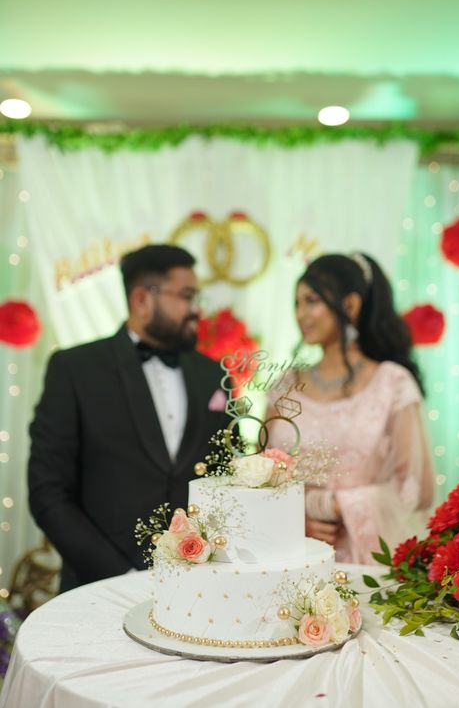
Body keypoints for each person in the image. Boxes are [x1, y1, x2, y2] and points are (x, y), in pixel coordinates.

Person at [28, 244, 230, 591]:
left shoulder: (214, 374)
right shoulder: (75, 369)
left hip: (202, 588)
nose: (196, 310)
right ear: (141, 299)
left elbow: (227, 477)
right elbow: (48, 491)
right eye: (185, 296)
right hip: (97, 589)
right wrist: (120, 577)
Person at [266, 252, 434, 565]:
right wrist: (294, 518)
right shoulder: (284, 386)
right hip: (288, 557)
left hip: (363, 565)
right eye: (297, 303)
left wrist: (330, 505)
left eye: (312, 300)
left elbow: (416, 490)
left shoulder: (391, 384)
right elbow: (260, 477)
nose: (301, 314)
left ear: (351, 305)